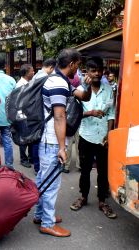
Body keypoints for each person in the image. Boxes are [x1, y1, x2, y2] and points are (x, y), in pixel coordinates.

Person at [33, 48, 92, 237]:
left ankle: (40, 215)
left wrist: (87, 85)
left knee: (43, 179)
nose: (79, 69)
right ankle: (47, 223)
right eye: (78, 65)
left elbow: (83, 96)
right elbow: (59, 116)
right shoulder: (58, 83)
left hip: (48, 139)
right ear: (72, 63)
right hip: (52, 141)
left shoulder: (60, 80)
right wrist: (61, 148)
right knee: (51, 183)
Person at [70, 57, 117, 219]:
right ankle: (83, 197)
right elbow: (74, 114)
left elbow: (111, 113)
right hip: (86, 136)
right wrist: (89, 113)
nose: (96, 73)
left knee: (103, 171)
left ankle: (102, 201)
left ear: (103, 71)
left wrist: (109, 135)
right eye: (93, 70)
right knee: (85, 170)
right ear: (87, 71)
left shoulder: (108, 89)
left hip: (103, 137)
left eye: (99, 70)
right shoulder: (80, 90)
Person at [32, 58, 56, 173]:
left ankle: (37, 166)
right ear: (51, 67)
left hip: (35, 112)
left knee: (36, 140)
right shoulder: (45, 78)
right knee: (39, 140)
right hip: (40, 113)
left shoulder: (36, 76)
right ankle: (38, 167)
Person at [16, 64, 35, 168]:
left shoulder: (30, 83)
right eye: (32, 71)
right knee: (23, 138)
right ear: (27, 73)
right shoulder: (20, 85)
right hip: (23, 115)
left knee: (31, 137)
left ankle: (31, 157)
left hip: (30, 114)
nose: (33, 72)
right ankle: (23, 159)